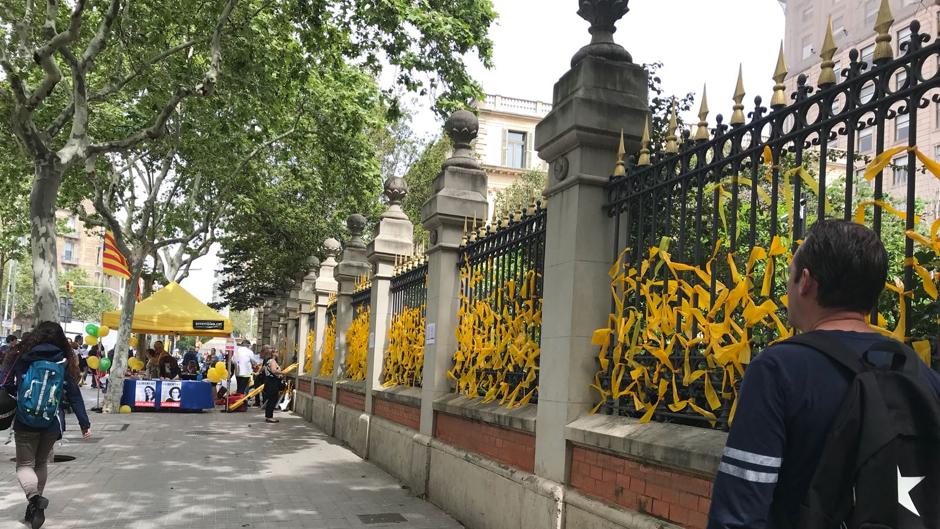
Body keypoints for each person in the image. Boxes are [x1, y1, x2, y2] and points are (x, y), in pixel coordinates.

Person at [707, 220, 940, 529]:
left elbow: (738, 514)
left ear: (805, 281)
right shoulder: (921, 375)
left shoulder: (778, 370)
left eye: (789, 276)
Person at [1, 321, 90, 529]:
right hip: (52, 421)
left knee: (24, 465)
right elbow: (74, 394)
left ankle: (34, 499)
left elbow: (5, 383)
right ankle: (35, 507)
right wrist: (84, 424)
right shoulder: (65, 359)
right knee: (40, 463)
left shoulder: (20, 355)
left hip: (24, 419)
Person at [260, 345, 283, 423]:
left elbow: (262, 369)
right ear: (273, 354)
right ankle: (269, 417)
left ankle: (268, 416)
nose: (277, 353)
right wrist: (283, 372)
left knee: (271, 399)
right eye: (276, 352)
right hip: (272, 383)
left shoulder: (267, 361)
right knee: (273, 400)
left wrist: (257, 373)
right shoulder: (272, 361)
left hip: (268, 382)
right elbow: (273, 370)